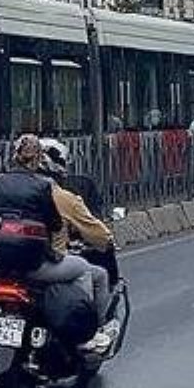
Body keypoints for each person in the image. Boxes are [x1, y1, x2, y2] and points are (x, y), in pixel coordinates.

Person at [0, 136, 113, 354]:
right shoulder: (45, 189)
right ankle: (84, 333)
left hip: (1, 263)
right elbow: (54, 223)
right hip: (36, 264)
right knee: (84, 270)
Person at [38, 138, 120, 356]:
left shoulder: (3, 188)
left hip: (5, 262)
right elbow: (99, 235)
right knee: (91, 272)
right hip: (41, 263)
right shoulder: (59, 196)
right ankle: (87, 332)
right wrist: (106, 241)